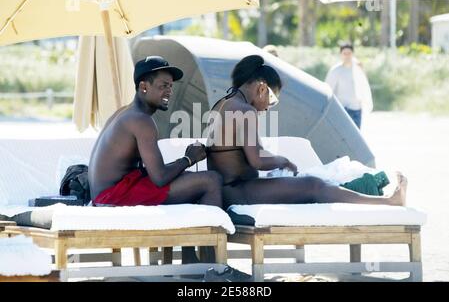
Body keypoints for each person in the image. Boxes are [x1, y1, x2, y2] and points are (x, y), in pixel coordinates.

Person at [206, 54, 406, 209]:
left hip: (228, 189)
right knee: (314, 185)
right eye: (271, 100)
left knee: (309, 183)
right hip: (238, 192)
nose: (267, 107)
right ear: (261, 89)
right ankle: (388, 202)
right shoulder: (245, 110)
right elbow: (258, 161)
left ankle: (377, 198)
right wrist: (283, 160)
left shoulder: (223, 103)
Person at [88, 56, 223, 263]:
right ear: (143, 86)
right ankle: (214, 266)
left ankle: (191, 260)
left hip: (112, 191)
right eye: (163, 86)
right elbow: (159, 177)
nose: (169, 91)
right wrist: (188, 158)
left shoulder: (124, 112)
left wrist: (184, 165)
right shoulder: (141, 121)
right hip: (113, 197)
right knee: (211, 180)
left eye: (170, 86)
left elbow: (154, 173)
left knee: (188, 180)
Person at [325, 43, 373, 129]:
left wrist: (362, 70)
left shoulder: (357, 69)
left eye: (349, 53)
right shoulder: (335, 70)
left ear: (353, 54)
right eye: (344, 53)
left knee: (356, 138)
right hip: (342, 109)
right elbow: (328, 89)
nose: (347, 56)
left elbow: (364, 86)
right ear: (341, 55)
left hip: (356, 109)